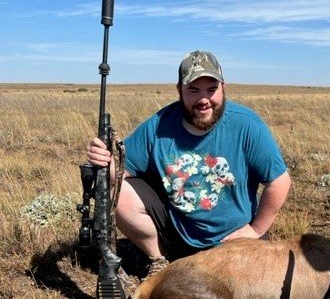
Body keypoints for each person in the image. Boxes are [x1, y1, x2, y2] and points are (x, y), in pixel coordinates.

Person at [87, 50, 291, 276]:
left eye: (211, 89)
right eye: (193, 90)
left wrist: (255, 230)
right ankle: (159, 260)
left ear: (224, 87)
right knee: (116, 191)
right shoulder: (158, 125)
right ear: (179, 91)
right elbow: (118, 174)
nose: (203, 100)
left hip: (235, 239)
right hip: (179, 234)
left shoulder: (247, 125)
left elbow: (280, 182)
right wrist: (105, 162)